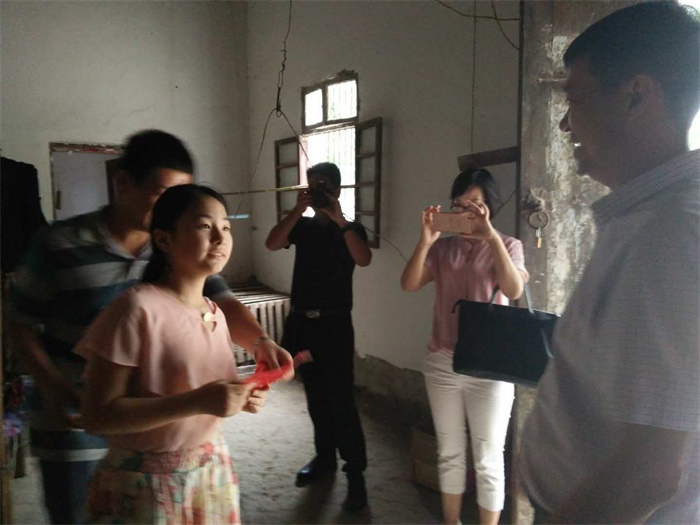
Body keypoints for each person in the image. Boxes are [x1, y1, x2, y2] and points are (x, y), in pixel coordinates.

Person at [6, 129, 293, 524]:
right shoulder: (64, 245)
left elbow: (224, 307)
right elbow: (18, 320)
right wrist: (54, 387)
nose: (177, 204)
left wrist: (261, 345)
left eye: (225, 226)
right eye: (164, 193)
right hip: (75, 415)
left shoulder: (189, 270)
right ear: (124, 183)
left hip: (179, 444)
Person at [518, 2, 700, 523]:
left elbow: (649, 472)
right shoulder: (644, 219)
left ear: (636, 96)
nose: (563, 122)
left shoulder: (671, 233)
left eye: (574, 98)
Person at [73, 184, 266, 523]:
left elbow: (204, 394)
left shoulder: (214, 312)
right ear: (164, 240)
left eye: (226, 228)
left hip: (210, 471)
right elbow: (97, 415)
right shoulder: (136, 308)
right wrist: (198, 401)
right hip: (146, 484)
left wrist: (242, 396)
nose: (220, 238)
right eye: (205, 226)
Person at [401, 168, 528, 525]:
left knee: (488, 458)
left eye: (473, 204)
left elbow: (514, 289)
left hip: (491, 365)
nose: (464, 211)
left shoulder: (510, 245)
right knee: (450, 453)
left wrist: (491, 239)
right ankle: (451, 521)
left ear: (489, 207)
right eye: (459, 204)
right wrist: (425, 241)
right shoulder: (443, 248)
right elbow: (409, 284)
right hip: (443, 361)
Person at [265, 161, 372, 512]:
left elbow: (364, 259)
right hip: (302, 323)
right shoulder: (302, 226)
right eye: (313, 185)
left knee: (341, 400)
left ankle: (355, 473)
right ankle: (324, 458)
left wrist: (340, 220)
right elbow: (272, 242)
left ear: (337, 189)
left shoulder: (351, 228)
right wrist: (297, 210)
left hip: (335, 325)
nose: (318, 191)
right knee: (314, 396)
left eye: (324, 185)